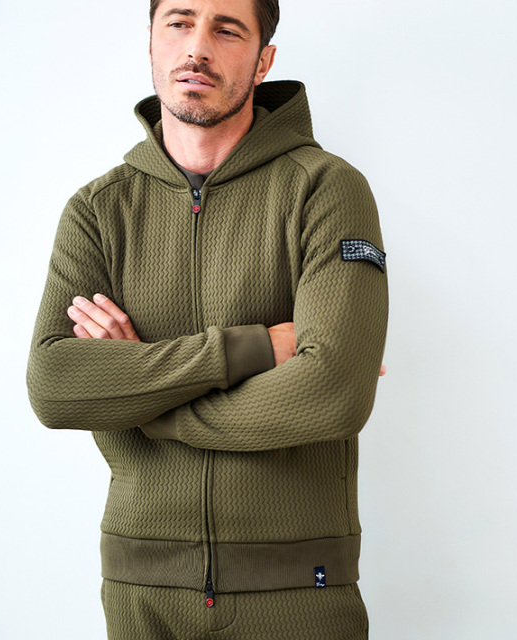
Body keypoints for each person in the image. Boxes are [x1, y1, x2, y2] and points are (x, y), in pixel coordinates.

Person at [27, 0, 388, 637]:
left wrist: (143, 402)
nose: (197, 47)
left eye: (227, 29)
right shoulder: (99, 209)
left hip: (299, 592)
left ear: (263, 60)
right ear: (151, 40)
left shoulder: (326, 188)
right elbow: (55, 387)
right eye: (179, 22)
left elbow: (333, 391)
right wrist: (254, 350)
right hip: (143, 595)